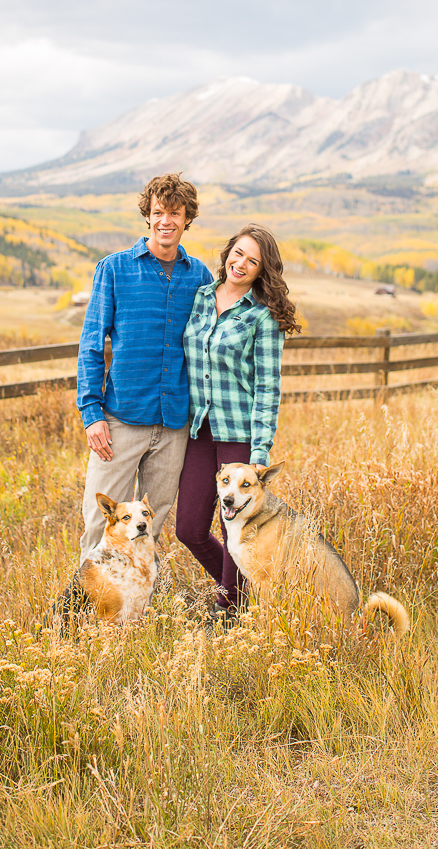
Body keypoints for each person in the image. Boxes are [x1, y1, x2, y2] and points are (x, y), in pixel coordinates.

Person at [73, 172, 212, 569]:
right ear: (147, 217)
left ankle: (133, 613)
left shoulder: (198, 276)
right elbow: (91, 344)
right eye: (158, 212)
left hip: (173, 427)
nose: (166, 221)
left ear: (187, 219)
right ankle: (87, 616)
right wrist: (92, 415)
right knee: (100, 527)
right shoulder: (114, 269)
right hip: (120, 420)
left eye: (175, 213)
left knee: (150, 527)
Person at [176, 223, 301, 622]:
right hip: (198, 430)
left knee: (236, 530)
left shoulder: (262, 317)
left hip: (240, 438)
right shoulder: (200, 298)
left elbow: (268, 387)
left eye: (253, 260)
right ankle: (244, 596)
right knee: (189, 528)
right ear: (227, 252)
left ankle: (228, 611)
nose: (241, 263)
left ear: (262, 270)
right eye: (238, 253)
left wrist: (260, 451)